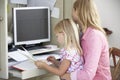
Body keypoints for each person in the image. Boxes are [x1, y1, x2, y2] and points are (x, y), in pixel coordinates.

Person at [61, 0, 112, 80]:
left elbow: (88, 75)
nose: (71, 12)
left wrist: (66, 76)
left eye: (73, 9)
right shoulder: (83, 33)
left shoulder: (94, 37)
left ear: (78, 11)